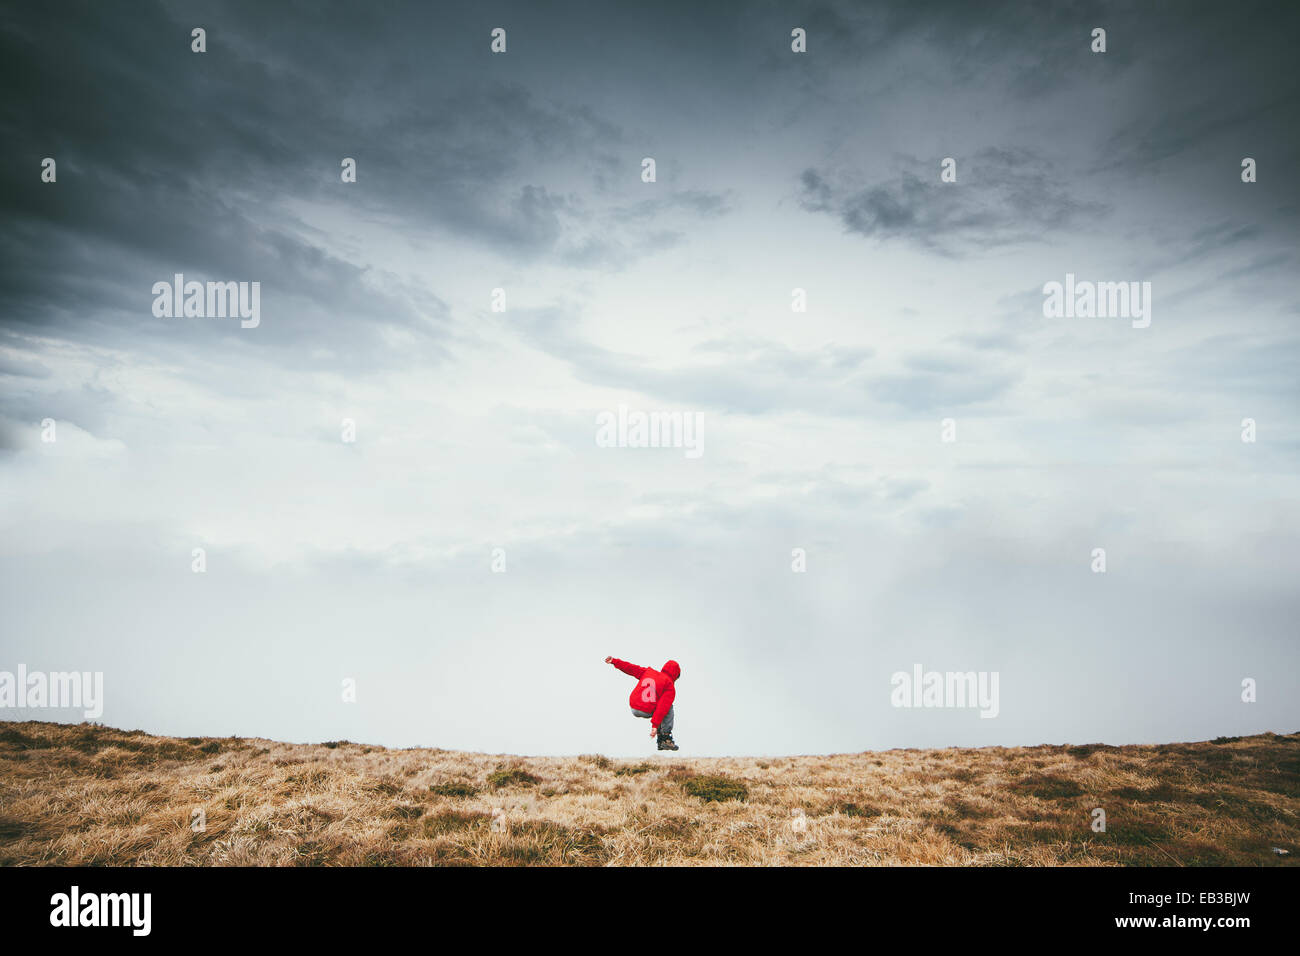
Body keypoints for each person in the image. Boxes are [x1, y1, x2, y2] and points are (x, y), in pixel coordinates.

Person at [604, 655, 681, 751]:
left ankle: (661, 739)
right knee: (667, 708)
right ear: (675, 676)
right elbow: (662, 708)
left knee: (660, 705)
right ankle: (665, 738)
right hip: (646, 710)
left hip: (633, 706)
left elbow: (631, 668)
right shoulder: (669, 685)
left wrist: (615, 661)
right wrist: (654, 726)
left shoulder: (649, 672)